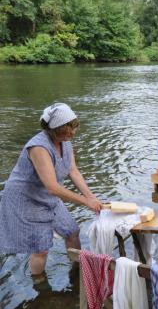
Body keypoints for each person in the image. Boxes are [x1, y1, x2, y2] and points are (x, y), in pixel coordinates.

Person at [0, 103, 102, 280]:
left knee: (72, 231)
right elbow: (52, 187)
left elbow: (73, 171)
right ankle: (40, 285)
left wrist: (90, 196)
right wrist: (86, 202)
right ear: (54, 129)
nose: (72, 132)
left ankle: (77, 271)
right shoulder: (38, 147)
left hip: (47, 196)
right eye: (68, 129)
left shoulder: (65, 142)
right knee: (41, 249)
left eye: (74, 127)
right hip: (26, 198)